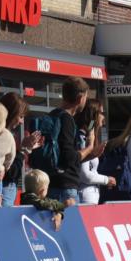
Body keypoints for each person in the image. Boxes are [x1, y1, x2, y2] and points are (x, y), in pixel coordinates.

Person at [31, 76, 89, 206]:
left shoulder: (52, 115)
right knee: (70, 226)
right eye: (86, 97)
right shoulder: (67, 119)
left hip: (50, 182)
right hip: (66, 188)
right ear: (80, 99)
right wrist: (89, 149)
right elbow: (68, 156)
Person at [0, 92, 44, 207]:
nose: (22, 121)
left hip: (6, 189)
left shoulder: (5, 135)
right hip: (4, 189)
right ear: (11, 113)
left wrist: (24, 149)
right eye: (20, 116)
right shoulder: (2, 136)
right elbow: (11, 171)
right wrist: (25, 150)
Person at [77, 102, 115, 205]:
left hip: (90, 194)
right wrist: (106, 180)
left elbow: (91, 171)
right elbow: (84, 175)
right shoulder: (83, 136)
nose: (104, 116)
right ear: (94, 114)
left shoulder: (90, 133)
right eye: (102, 113)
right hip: (84, 195)